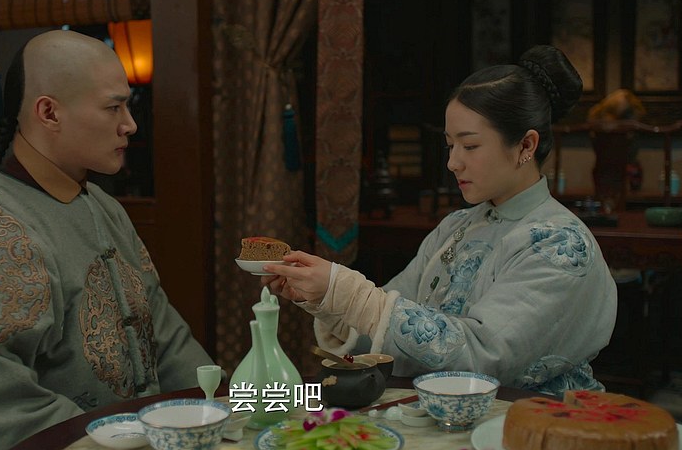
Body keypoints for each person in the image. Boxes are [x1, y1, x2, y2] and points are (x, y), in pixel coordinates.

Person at [0, 30, 214, 450]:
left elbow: (166, 341)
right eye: (113, 107)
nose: (130, 124)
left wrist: (224, 413)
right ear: (49, 112)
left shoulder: (104, 207)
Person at [263, 45, 617, 396]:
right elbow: (386, 323)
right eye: (450, 145)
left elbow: (484, 359)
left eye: (470, 146)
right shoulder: (456, 227)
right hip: (443, 411)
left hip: (537, 417)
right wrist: (328, 299)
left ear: (526, 145)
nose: (453, 163)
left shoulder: (560, 244)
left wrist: (347, 293)